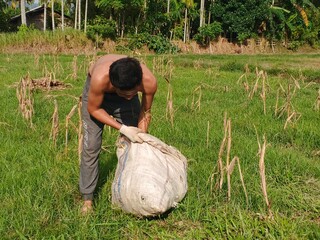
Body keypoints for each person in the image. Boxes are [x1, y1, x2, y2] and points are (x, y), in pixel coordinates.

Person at [80, 54, 157, 213]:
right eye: (124, 94)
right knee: (91, 146)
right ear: (114, 85)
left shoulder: (148, 82)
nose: (129, 96)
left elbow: (145, 110)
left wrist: (140, 134)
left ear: (139, 84)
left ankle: (131, 189)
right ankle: (87, 199)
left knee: (136, 143)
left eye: (133, 93)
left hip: (125, 97)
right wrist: (122, 128)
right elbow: (93, 109)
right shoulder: (100, 79)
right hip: (97, 96)